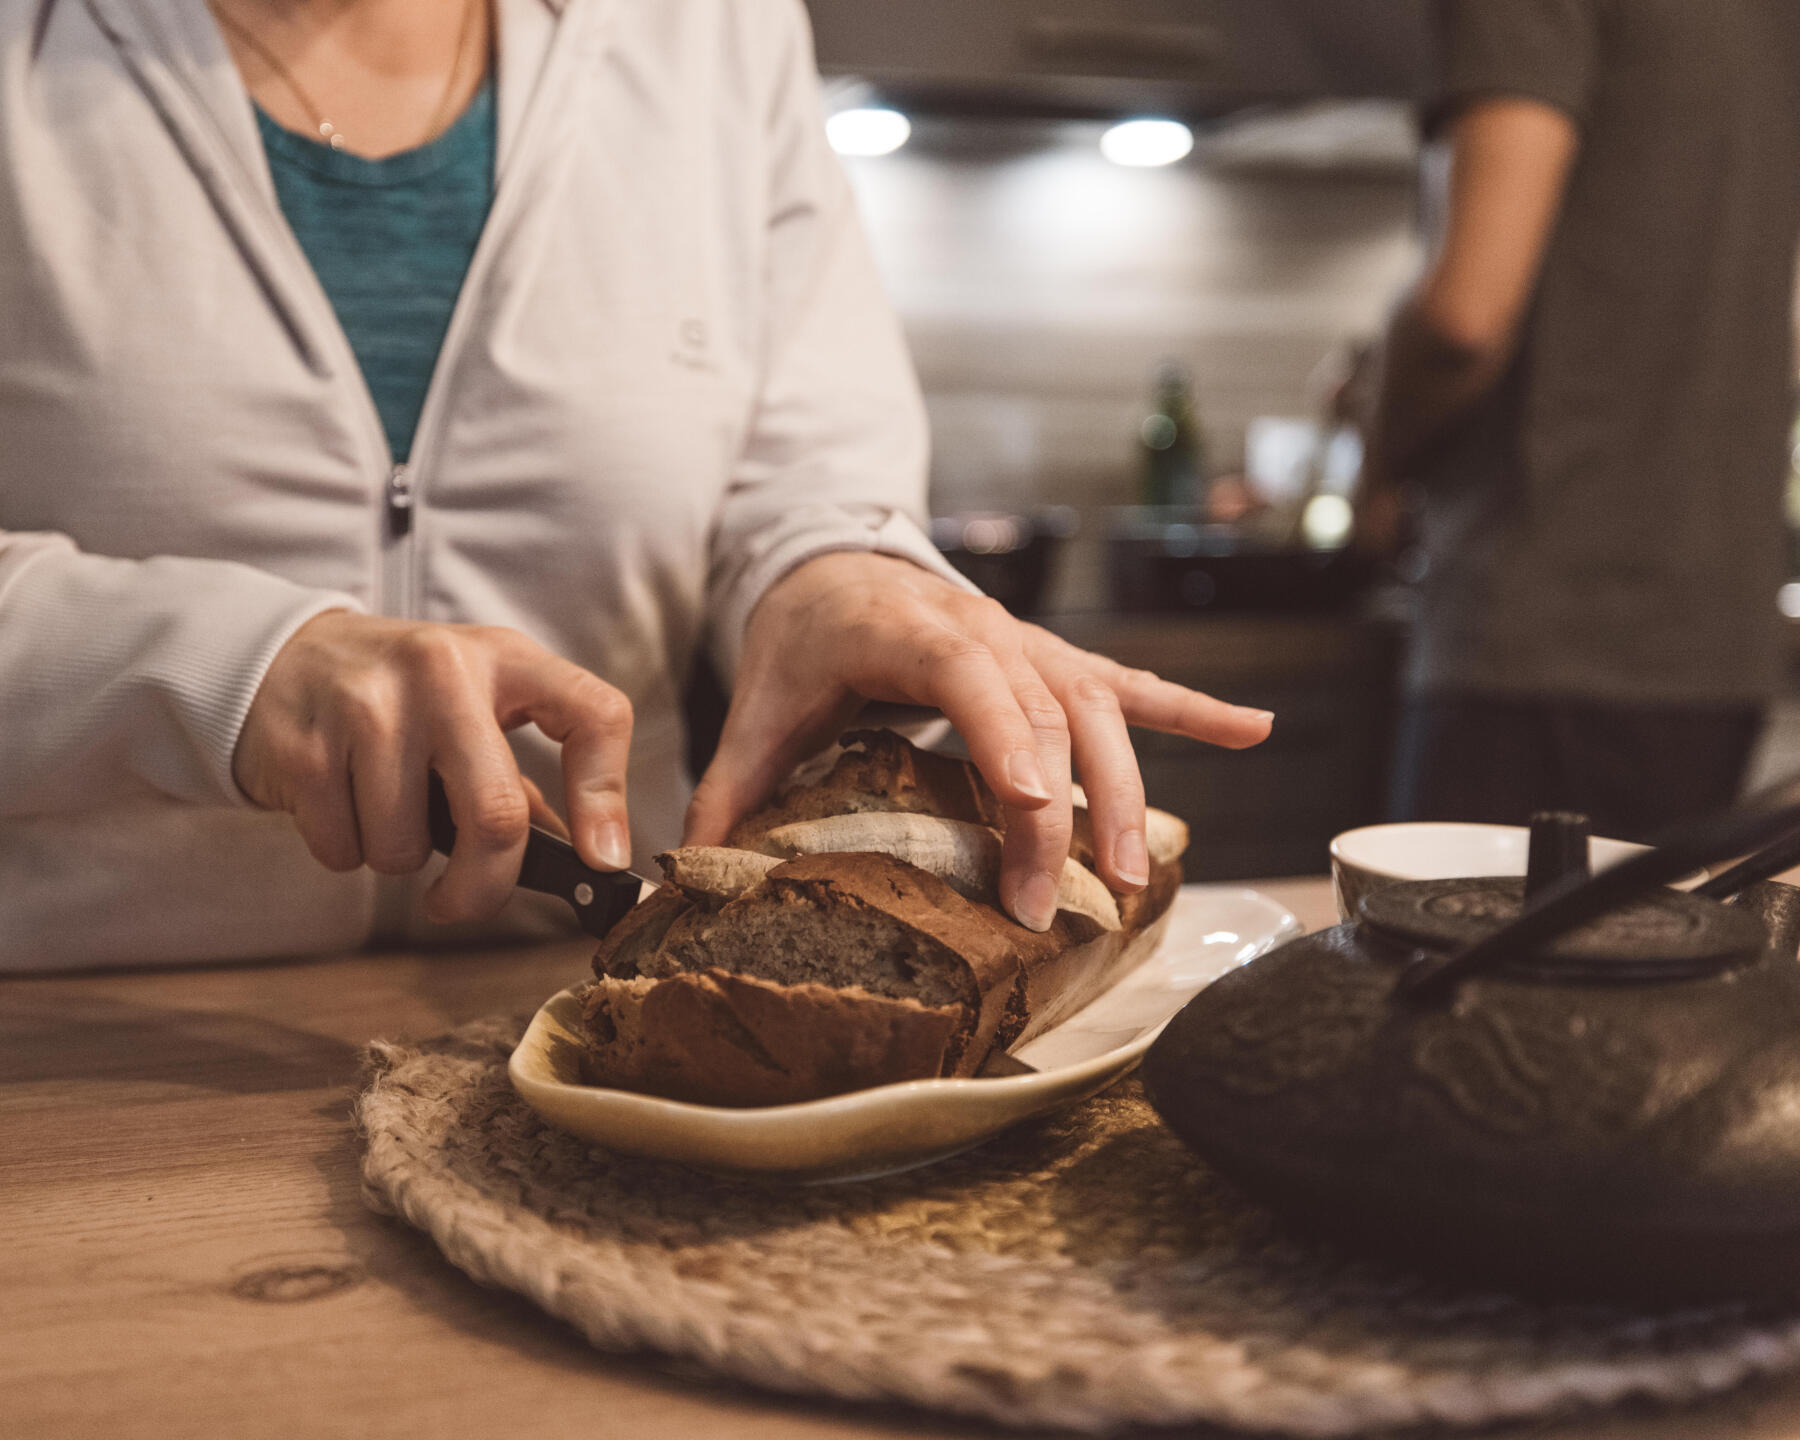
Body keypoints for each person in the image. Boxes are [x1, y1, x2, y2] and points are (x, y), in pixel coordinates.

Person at [0, 0, 1272, 969]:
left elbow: (805, 477)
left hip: (579, 997)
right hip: (82, 1038)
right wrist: (227, 672)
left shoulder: (710, 27)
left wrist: (836, 578)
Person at [1360, 0, 1800, 840]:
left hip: (1543, 621)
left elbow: (1464, 319)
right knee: (1663, 965)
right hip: (1719, 642)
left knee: (1456, 966)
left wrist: (1375, 464)